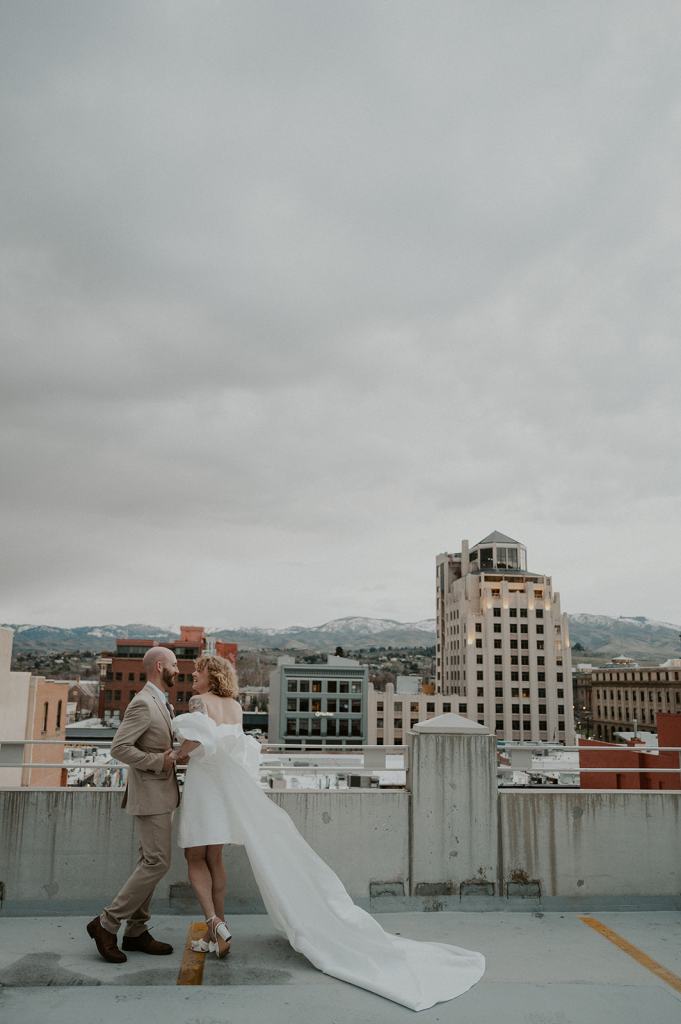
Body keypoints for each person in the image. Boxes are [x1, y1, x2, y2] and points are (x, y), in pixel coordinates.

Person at [171, 655, 485, 1012]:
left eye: (197, 672)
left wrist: (176, 753)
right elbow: (239, 749)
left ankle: (213, 923)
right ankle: (220, 930)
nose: (192, 677)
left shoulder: (199, 703)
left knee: (194, 857)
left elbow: (196, 743)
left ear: (211, 676)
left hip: (204, 787)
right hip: (228, 790)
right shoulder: (235, 706)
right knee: (215, 857)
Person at [86, 646, 180, 963]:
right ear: (159, 666)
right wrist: (158, 761)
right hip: (150, 795)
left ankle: (137, 931)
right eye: (174, 665)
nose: (178, 670)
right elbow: (119, 748)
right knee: (157, 863)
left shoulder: (161, 701)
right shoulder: (143, 702)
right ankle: (106, 923)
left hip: (162, 794)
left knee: (149, 862)